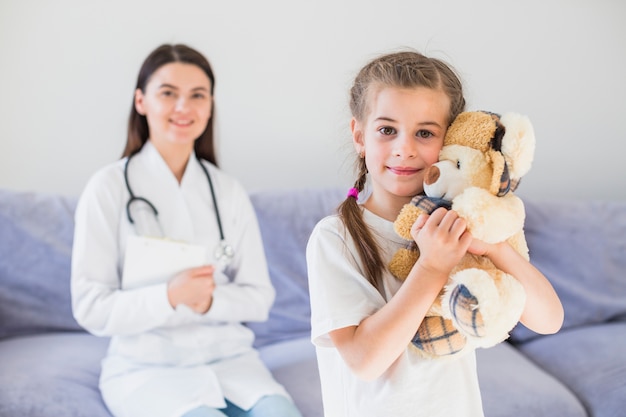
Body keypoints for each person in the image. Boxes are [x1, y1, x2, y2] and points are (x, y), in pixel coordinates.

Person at [306, 50, 564, 417]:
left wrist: (496, 250)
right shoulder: (336, 238)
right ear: (360, 136)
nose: (405, 149)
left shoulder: (467, 225)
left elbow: (549, 320)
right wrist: (431, 267)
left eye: (424, 133)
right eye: (387, 130)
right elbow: (364, 361)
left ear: (450, 140)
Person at [71, 43, 303, 417]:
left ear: (210, 106)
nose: (184, 107)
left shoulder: (227, 191)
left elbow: (260, 297)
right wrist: (169, 296)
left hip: (233, 364)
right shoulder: (108, 188)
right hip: (148, 370)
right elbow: (90, 307)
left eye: (198, 95)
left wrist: (210, 301)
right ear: (141, 102)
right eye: (168, 94)